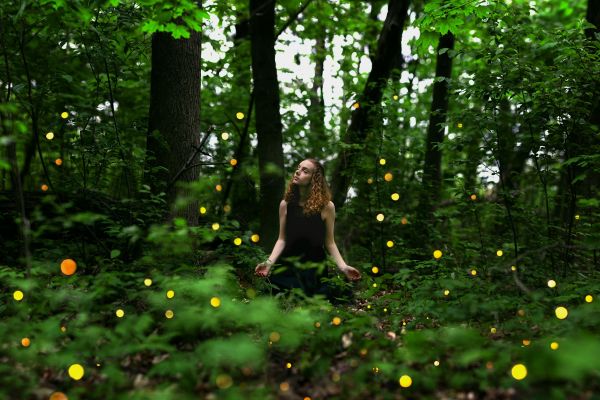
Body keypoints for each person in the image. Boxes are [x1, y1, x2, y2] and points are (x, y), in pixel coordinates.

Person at [255, 158, 361, 299]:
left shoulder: (327, 207)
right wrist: (268, 264)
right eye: (298, 168)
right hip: (288, 268)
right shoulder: (285, 205)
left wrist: (343, 267)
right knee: (273, 295)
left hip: (315, 270)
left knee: (330, 296)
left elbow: (329, 242)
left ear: (314, 179)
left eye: (305, 171)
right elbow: (281, 239)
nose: (298, 172)